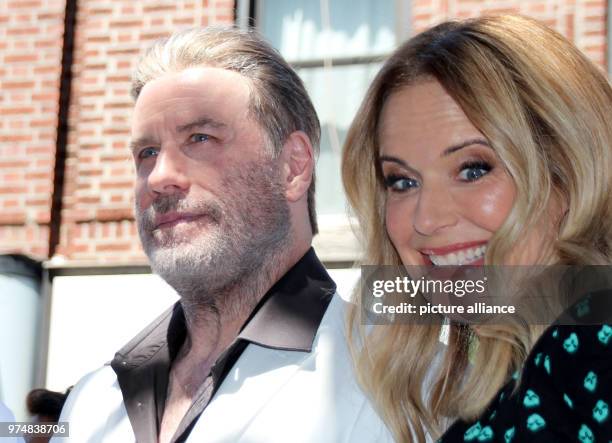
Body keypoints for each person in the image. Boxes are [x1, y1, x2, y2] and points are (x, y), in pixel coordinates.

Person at [54, 26, 392, 443]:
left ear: (293, 167)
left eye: (200, 138)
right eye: (147, 153)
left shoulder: (403, 384)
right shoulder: (90, 403)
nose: (160, 177)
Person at [341, 14, 612, 443]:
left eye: (473, 169)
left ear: (570, 169)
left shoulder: (594, 344)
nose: (426, 220)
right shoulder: (517, 364)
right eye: (402, 181)